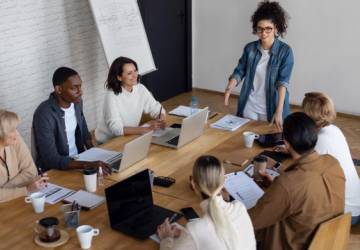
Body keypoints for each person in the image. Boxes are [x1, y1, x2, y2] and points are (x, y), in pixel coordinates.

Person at [249, 112, 345, 250]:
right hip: (328, 242)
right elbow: (309, 196)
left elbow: (251, 222)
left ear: (286, 142)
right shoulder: (333, 163)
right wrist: (275, 188)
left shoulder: (288, 184)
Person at [157, 155, 256, 250]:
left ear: (193, 184)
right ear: (224, 181)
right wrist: (185, 234)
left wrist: (166, 239)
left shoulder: (195, 230)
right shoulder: (240, 207)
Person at [224, 1, 294, 130]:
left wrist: (279, 111)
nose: (263, 33)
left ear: (276, 28)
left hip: (272, 106)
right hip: (249, 104)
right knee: (245, 138)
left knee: (269, 140)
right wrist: (229, 88)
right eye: (260, 29)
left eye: (268, 29)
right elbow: (240, 71)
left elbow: (282, 83)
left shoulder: (285, 52)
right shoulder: (249, 49)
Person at [33, 67, 111, 173]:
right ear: (59, 89)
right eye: (74, 88)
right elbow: (50, 159)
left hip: (79, 160)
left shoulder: (77, 103)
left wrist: (97, 156)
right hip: (56, 170)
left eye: (80, 86)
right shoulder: (44, 114)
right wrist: (89, 164)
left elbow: (84, 133)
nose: (80, 92)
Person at [302, 92, 360, 225]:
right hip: (356, 200)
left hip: (348, 213)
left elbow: (303, 176)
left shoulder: (320, 140)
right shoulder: (334, 129)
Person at [95, 56, 166, 144]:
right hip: (110, 142)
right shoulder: (111, 95)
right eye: (129, 73)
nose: (135, 75)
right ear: (119, 77)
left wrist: (161, 119)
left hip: (130, 136)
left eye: (135, 70)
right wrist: (146, 129)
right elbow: (117, 129)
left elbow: (156, 108)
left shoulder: (140, 88)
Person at [0, 110, 48, 202]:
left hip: (18, 201)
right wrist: (26, 189)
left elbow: (30, 172)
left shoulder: (15, 140)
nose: (17, 133)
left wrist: (5, 190)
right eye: (12, 130)